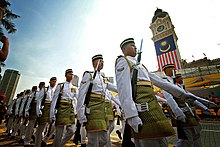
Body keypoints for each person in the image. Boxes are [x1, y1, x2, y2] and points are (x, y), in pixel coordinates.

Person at [115, 38, 176, 147]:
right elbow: (124, 89)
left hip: (153, 106)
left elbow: (159, 82)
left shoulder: (141, 66)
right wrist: (132, 115)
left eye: (135, 45)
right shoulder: (123, 61)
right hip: (141, 109)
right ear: (124, 49)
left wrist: (183, 94)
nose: (135, 47)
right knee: (147, 142)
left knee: (162, 142)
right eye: (132, 46)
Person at [77, 54, 117, 147]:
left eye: (103, 61)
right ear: (94, 63)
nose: (102, 63)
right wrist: (81, 114)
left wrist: (127, 87)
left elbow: (115, 88)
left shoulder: (103, 79)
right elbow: (81, 95)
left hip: (102, 111)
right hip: (93, 109)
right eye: (100, 61)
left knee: (104, 139)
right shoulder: (89, 75)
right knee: (93, 140)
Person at [50, 69, 77, 147]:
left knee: (72, 130)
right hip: (62, 108)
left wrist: (77, 111)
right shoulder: (60, 86)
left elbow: (78, 99)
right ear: (65, 75)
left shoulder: (74, 87)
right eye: (69, 74)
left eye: (72, 74)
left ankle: (60, 145)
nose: (71, 76)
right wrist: (52, 114)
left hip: (70, 109)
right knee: (59, 133)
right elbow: (54, 100)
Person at [35, 77, 57, 147]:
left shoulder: (56, 90)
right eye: (53, 81)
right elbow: (39, 100)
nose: (54, 83)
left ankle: (45, 140)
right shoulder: (44, 90)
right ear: (50, 82)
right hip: (45, 108)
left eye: (55, 81)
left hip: (52, 108)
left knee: (53, 126)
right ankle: (37, 144)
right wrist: (38, 110)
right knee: (41, 128)